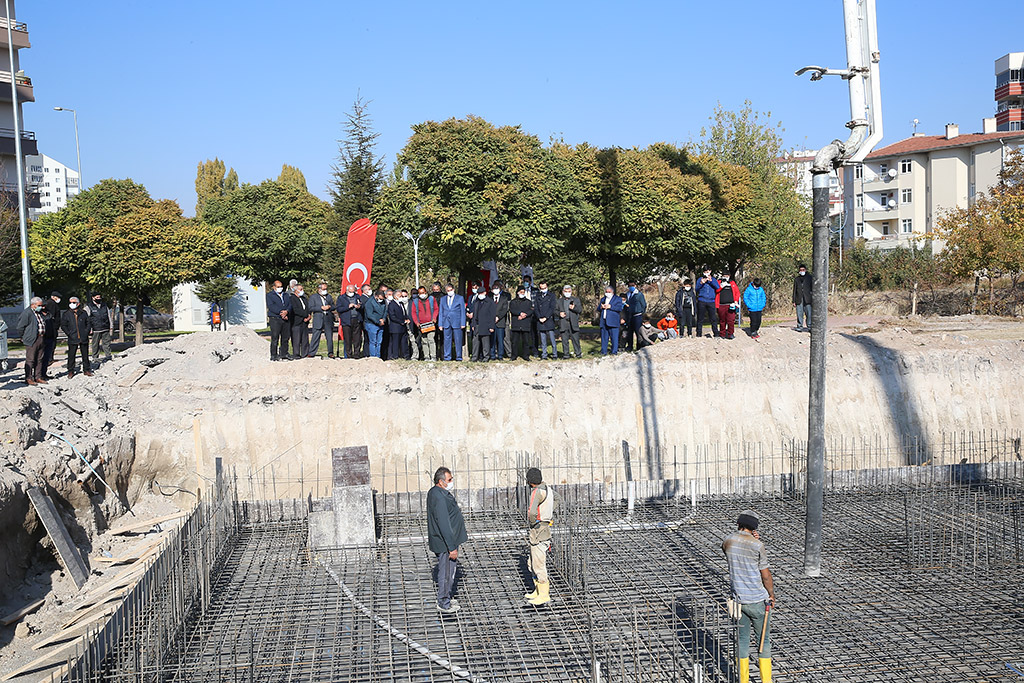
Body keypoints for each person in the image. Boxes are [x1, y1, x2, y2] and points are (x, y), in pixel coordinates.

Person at [722, 510, 775, 683]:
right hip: (758, 601)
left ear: (738, 524)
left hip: (738, 601)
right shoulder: (757, 545)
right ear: (754, 528)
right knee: (763, 643)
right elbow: (765, 575)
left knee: (742, 642)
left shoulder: (727, 541)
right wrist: (771, 595)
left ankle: (743, 681)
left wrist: (752, 539)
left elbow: (736, 554)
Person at [426, 467, 467, 615]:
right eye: (449, 480)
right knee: (447, 572)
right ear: (441, 482)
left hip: (444, 540)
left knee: (448, 571)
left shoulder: (436, 492)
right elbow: (443, 523)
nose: (451, 482)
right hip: (445, 543)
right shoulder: (440, 497)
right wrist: (452, 547)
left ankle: (447, 596)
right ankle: (443, 602)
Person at [523, 467, 555, 606]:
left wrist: (533, 522)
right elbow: (557, 499)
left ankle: (544, 595)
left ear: (530, 482)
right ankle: (537, 591)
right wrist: (548, 513)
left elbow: (531, 513)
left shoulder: (536, 492)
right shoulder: (548, 489)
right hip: (544, 528)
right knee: (532, 563)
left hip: (538, 532)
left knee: (539, 565)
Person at [17, 297, 48, 385]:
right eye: (39, 305)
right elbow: (20, 327)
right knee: (30, 359)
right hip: (32, 339)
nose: (41, 307)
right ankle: (28, 378)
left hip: (41, 338)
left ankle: (38, 377)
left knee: (39, 359)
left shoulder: (39, 313)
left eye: (41, 305)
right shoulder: (27, 313)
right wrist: (23, 337)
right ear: (33, 305)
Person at [60, 296, 92, 378]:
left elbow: (88, 323)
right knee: (71, 355)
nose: (72, 304)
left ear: (78, 303)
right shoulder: (66, 314)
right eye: (70, 302)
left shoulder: (83, 313)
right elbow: (63, 325)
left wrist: (86, 332)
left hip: (83, 337)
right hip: (72, 337)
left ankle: (87, 370)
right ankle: (70, 371)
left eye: (74, 302)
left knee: (85, 355)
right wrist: (69, 333)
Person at [438, 283, 466, 361]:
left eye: (450, 290)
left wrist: (463, 323)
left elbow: (462, 311)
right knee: (447, 340)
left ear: (453, 290)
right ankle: (447, 357)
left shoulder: (460, 298)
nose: (449, 292)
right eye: (448, 291)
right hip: (446, 322)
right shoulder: (443, 299)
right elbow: (441, 312)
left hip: (457, 322)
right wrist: (440, 324)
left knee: (458, 340)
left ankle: (459, 357)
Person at [411, 286, 439, 361]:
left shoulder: (431, 299)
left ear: (426, 292)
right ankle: (426, 356)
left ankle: (433, 356)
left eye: (423, 293)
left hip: (431, 323)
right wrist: (416, 322)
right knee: (424, 341)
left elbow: (436, 309)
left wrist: (434, 317)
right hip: (422, 325)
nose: (422, 294)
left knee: (431, 339)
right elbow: (413, 313)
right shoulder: (416, 301)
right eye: (420, 293)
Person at [308, 282, 336, 358]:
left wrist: (330, 307)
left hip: (328, 319)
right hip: (318, 318)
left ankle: (330, 353)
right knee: (315, 336)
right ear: (319, 289)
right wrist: (320, 308)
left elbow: (334, 306)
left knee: (329, 337)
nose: (325, 291)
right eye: (323, 289)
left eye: (326, 289)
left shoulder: (329, 297)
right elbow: (310, 308)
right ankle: (311, 352)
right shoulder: (313, 297)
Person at [266, 280, 291, 361]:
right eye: (278, 287)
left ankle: (284, 353)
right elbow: (271, 306)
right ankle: (274, 355)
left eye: (281, 287)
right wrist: (281, 312)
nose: (280, 288)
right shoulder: (270, 295)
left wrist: (286, 311)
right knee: (275, 337)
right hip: (275, 318)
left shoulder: (286, 295)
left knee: (285, 337)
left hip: (286, 318)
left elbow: (290, 305)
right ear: (274, 287)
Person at [336, 284, 363, 359]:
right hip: (347, 320)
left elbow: (362, 305)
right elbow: (339, 309)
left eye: (353, 291)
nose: (352, 293)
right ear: (347, 290)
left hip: (356, 319)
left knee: (357, 339)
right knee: (347, 339)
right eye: (350, 291)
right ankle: (349, 355)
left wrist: (359, 306)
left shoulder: (357, 297)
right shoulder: (341, 298)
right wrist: (347, 307)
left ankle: (357, 354)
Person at [86, 293, 113, 366]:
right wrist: (90, 328)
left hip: (105, 327)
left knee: (106, 343)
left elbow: (108, 316)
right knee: (95, 344)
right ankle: (95, 357)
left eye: (99, 297)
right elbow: (87, 319)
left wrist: (111, 326)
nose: (99, 298)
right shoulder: (89, 307)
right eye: (97, 297)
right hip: (95, 329)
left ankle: (108, 356)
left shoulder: (104, 306)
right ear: (93, 298)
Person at [556, 284, 583, 359]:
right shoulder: (559, 301)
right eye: (566, 291)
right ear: (563, 292)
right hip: (564, 322)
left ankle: (578, 354)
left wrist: (574, 308)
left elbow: (580, 310)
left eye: (569, 291)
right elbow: (554, 310)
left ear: (571, 291)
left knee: (575, 339)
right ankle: (566, 355)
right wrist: (559, 314)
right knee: (564, 340)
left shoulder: (576, 300)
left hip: (573, 323)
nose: (567, 292)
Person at [469, 288, 496, 362]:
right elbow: (474, 315)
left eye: (481, 293)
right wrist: (473, 325)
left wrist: (491, 326)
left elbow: (492, 315)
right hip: (477, 325)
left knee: (485, 343)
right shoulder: (476, 302)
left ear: (485, 292)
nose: (480, 295)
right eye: (479, 293)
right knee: (475, 342)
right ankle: (474, 357)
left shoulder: (490, 302)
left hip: (486, 325)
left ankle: (486, 357)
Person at [509, 285, 534, 361]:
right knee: (514, 341)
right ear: (517, 292)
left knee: (526, 341)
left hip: (525, 323)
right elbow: (512, 310)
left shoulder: (528, 302)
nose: (522, 293)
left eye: (523, 292)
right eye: (521, 292)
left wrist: (524, 315)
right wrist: (519, 313)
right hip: (516, 323)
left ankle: (526, 356)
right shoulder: (513, 302)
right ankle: (514, 356)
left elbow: (531, 310)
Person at [597, 285, 624, 356]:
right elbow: (598, 309)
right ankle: (603, 352)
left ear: (613, 292)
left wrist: (610, 307)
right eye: (606, 292)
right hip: (604, 321)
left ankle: (614, 352)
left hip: (613, 321)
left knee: (614, 338)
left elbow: (619, 308)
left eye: (609, 292)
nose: (607, 293)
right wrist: (601, 307)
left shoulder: (617, 299)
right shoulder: (603, 299)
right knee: (604, 338)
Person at [40, 291, 61, 380]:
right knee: (47, 349)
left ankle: (44, 371)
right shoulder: (51, 304)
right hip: (49, 331)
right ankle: (48, 361)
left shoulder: (52, 305)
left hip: (52, 331)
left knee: (51, 347)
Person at [534, 281, 557, 359]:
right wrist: (539, 317)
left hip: (548, 319)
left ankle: (555, 354)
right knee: (543, 340)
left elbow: (552, 307)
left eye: (544, 288)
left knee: (552, 339)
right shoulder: (538, 296)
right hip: (540, 320)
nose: (543, 289)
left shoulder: (552, 295)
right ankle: (544, 355)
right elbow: (536, 308)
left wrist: (546, 317)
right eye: (541, 288)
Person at [695, 268, 721, 338]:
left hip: (711, 301)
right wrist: (701, 283)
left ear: (710, 271)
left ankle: (716, 333)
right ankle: (699, 333)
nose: (707, 273)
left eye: (708, 271)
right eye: (705, 272)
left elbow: (717, 287)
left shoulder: (713, 279)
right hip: (702, 300)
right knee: (700, 318)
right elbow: (696, 289)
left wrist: (711, 281)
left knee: (713, 318)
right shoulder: (700, 279)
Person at [386, 289, 411, 360]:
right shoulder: (392, 304)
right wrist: (403, 321)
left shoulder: (401, 304)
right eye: (400, 296)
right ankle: (395, 356)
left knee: (404, 342)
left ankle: (405, 355)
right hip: (395, 327)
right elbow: (392, 316)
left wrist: (407, 318)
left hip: (403, 327)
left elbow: (404, 313)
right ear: (396, 296)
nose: (402, 298)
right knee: (395, 343)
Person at [362, 288, 387, 358]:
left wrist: (383, 319)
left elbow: (385, 310)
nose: (381, 300)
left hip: (381, 324)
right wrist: (377, 321)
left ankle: (378, 356)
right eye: (380, 298)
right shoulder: (369, 302)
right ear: (376, 296)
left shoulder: (384, 302)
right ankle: (373, 356)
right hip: (372, 324)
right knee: (373, 342)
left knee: (379, 342)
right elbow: (370, 315)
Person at [623, 281, 647, 352]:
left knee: (638, 332)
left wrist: (641, 313)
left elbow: (644, 305)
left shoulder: (639, 294)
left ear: (635, 285)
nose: (631, 287)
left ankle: (639, 346)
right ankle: (630, 346)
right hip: (629, 316)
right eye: (629, 286)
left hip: (637, 315)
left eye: (632, 285)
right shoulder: (627, 294)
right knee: (630, 332)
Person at [289, 283, 311, 358]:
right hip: (297, 321)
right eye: (300, 289)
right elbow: (296, 310)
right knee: (296, 339)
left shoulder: (304, 298)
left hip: (305, 322)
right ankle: (296, 354)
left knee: (305, 338)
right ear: (296, 290)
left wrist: (308, 315)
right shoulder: (292, 298)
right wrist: (304, 315)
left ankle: (305, 353)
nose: (302, 291)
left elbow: (308, 307)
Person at [716, 273, 741, 340]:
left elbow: (737, 293)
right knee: (722, 320)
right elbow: (716, 290)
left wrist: (735, 301)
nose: (725, 277)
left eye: (727, 276)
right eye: (724, 276)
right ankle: (722, 334)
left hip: (731, 305)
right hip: (721, 305)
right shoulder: (718, 282)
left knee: (731, 320)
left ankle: (730, 334)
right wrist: (721, 286)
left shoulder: (732, 283)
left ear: (729, 276)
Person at [490, 282, 510, 360]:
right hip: (491, 322)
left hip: (500, 322)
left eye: (497, 288)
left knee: (500, 339)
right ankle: (492, 355)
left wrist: (498, 317)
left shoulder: (504, 299)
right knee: (492, 339)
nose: (495, 290)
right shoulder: (489, 299)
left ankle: (500, 355)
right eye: (494, 289)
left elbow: (504, 309)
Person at [793, 264, 812, 332]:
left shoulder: (810, 278)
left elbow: (812, 288)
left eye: (803, 270)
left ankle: (809, 326)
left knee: (809, 314)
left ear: (805, 270)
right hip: (799, 299)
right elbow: (794, 290)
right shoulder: (797, 279)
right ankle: (799, 326)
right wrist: (794, 301)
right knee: (799, 313)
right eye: (800, 270)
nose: (802, 271)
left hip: (808, 299)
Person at [430, 282, 445, 360]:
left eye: (437, 289)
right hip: (432, 321)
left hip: (442, 320)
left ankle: (442, 356)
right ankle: (434, 355)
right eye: (434, 289)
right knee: (433, 339)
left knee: (443, 339)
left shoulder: (444, 296)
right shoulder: (430, 297)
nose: (436, 291)